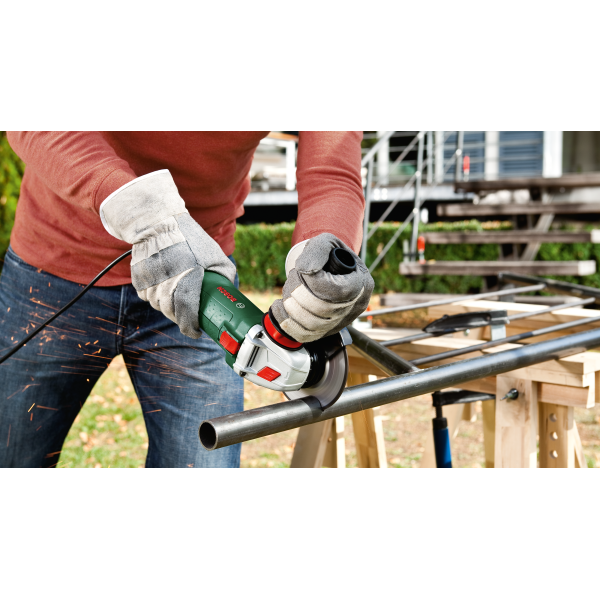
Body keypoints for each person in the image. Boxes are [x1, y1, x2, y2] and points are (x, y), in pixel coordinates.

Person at [0, 132, 374, 468]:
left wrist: (327, 256)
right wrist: (146, 216)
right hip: (52, 273)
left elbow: (331, 173)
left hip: (197, 281)